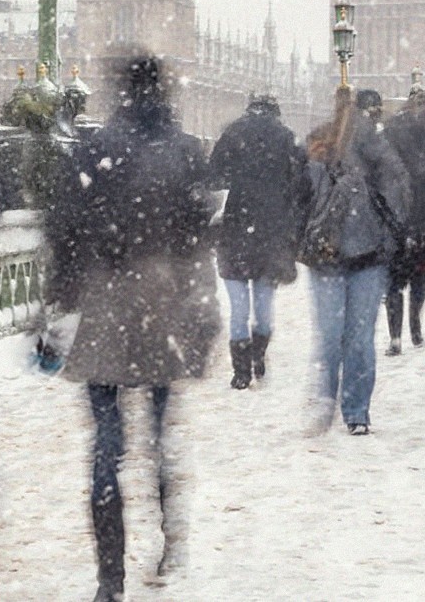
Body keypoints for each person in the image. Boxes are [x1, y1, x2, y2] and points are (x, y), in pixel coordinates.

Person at [45, 52, 218, 602]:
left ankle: (109, 580)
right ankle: (169, 538)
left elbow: (64, 234)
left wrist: (54, 309)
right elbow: (200, 237)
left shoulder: (94, 150)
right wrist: (201, 315)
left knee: (106, 446)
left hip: (107, 303)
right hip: (165, 300)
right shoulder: (188, 152)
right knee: (161, 436)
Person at [297, 89, 412, 435]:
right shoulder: (322, 146)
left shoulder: (375, 150)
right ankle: (348, 407)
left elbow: (397, 188)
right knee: (350, 337)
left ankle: (342, 406)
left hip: (349, 253)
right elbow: (304, 195)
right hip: (344, 252)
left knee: (340, 336)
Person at [208, 94, 306, 388]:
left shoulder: (234, 132)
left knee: (238, 308)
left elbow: (213, 176)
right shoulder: (287, 137)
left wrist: (236, 179)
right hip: (271, 232)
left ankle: (240, 372)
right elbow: (301, 185)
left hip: (237, 228)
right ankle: (258, 354)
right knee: (263, 306)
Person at [381, 86, 425, 397]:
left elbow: (383, 183)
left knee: (395, 285)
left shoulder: (391, 138)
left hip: (399, 227)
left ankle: (397, 335)